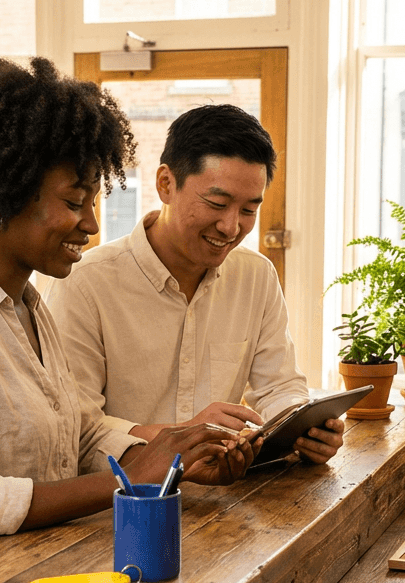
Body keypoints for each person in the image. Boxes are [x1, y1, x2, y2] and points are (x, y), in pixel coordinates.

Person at [0, 55, 254, 583]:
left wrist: (173, 457)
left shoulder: (29, 308)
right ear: (5, 195)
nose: (92, 224)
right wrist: (127, 484)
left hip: (21, 575)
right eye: (75, 202)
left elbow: (75, 436)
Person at [48, 104, 344, 464]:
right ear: (165, 184)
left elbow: (278, 385)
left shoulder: (256, 276)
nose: (232, 227)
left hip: (226, 498)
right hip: (122, 503)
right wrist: (183, 438)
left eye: (249, 210)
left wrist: (303, 426)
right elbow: (75, 427)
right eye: (217, 203)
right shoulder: (85, 283)